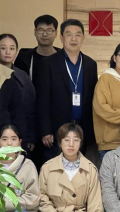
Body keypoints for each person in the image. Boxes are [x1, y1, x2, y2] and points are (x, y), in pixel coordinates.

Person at [38, 123, 104, 212]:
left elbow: (95, 201)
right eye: (66, 140)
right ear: (60, 142)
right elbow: (42, 196)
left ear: (81, 142)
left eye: (76, 140)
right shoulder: (48, 167)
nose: (71, 144)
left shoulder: (90, 169)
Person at [37, 19, 98, 163]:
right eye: (69, 34)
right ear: (61, 37)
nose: (73, 39)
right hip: (57, 130)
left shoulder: (90, 64)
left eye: (78, 35)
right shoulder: (48, 63)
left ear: (83, 38)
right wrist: (46, 130)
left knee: (80, 169)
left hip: (83, 129)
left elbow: (93, 99)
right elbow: (42, 100)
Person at [0, 34, 37, 157]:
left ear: (16, 51)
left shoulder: (22, 76)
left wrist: (31, 137)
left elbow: (31, 108)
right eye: (3, 48)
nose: (8, 52)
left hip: (20, 131)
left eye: (12, 48)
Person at [15, 15, 60, 89]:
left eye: (49, 30)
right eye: (40, 30)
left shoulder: (64, 58)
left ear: (56, 33)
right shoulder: (24, 58)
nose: (44, 34)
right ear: (35, 32)